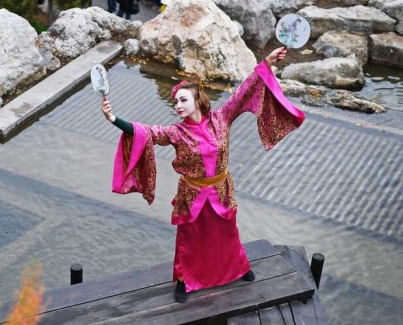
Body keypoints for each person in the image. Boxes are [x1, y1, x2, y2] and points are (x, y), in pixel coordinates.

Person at [100, 47, 305, 302]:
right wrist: (113, 118)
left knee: (228, 233)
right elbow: (146, 133)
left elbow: (245, 91)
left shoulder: (222, 118)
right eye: (176, 101)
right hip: (192, 193)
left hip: (220, 190)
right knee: (190, 239)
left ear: (198, 101)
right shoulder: (176, 132)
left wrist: (268, 62)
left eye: (183, 100)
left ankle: (238, 268)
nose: (178, 105)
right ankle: (184, 280)